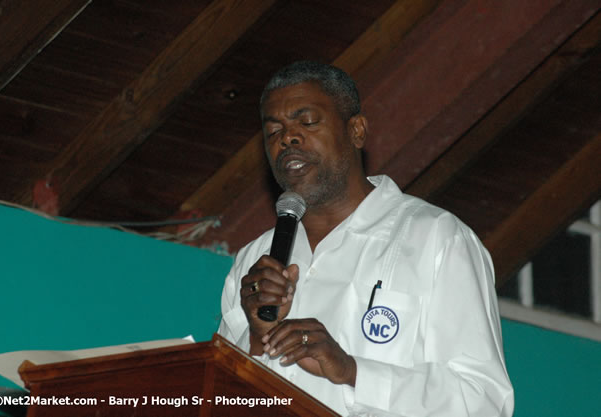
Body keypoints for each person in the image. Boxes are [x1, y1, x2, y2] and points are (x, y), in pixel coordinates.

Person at [218, 61, 514, 416]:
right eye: (273, 131)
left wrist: (351, 370)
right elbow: (219, 395)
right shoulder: (254, 260)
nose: (287, 138)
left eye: (307, 122)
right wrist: (255, 337)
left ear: (356, 131)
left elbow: (482, 399)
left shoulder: (435, 237)